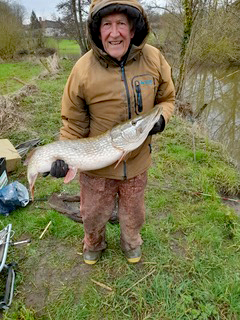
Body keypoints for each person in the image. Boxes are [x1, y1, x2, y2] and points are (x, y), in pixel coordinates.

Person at [48, 0, 175, 265]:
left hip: (137, 162)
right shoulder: (82, 70)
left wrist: (162, 117)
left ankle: (131, 243)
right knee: (93, 213)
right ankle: (93, 243)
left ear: (133, 29)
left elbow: (167, 99)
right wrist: (62, 154)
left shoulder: (154, 58)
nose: (114, 33)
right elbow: (73, 123)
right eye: (107, 24)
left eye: (121, 24)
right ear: (98, 30)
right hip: (96, 169)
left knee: (134, 213)